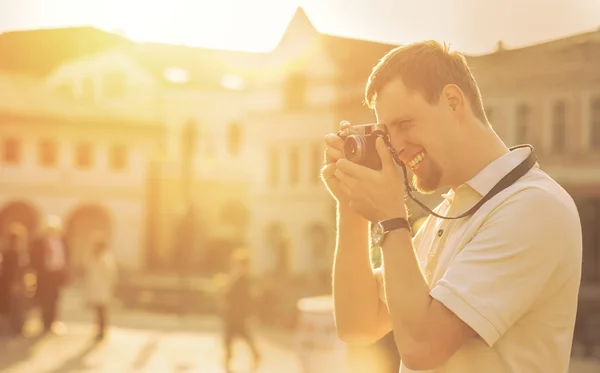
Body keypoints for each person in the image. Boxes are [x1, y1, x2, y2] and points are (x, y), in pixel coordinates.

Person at [321, 41, 582, 372]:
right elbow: (358, 323)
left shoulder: (533, 207)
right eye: (387, 134)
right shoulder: (450, 212)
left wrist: (391, 218)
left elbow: (422, 347)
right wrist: (351, 203)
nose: (397, 147)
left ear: (452, 101)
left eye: (405, 124)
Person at [220, 249, 261, 373]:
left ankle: (229, 359)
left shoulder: (244, 279)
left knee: (231, 337)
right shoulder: (238, 277)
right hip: (234, 313)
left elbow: (246, 298)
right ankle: (253, 355)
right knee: (240, 336)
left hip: (237, 314)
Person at [30, 215, 69, 334]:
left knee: (54, 299)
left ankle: (52, 322)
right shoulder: (39, 242)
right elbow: (34, 258)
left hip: (56, 275)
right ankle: (44, 322)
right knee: (43, 299)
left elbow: (65, 258)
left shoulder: (61, 242)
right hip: (44, 275)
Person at [84, 235, 117, 341]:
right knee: (97, 310)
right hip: (95, 287)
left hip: (103, 287)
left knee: (102, 310)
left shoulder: (106, 257)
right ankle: (98, 329)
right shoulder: (92, 256)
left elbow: (111, 274)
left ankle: (102, 330)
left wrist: (110, 286)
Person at [0, 223, 30, 337]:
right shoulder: (10, 254)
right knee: (14, 308)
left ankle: (16, 329)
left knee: (17, 307)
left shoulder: (18, 253)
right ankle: (14, 330)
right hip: (12, 285)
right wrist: (15, 283)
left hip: (17, 284)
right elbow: (11, 271)